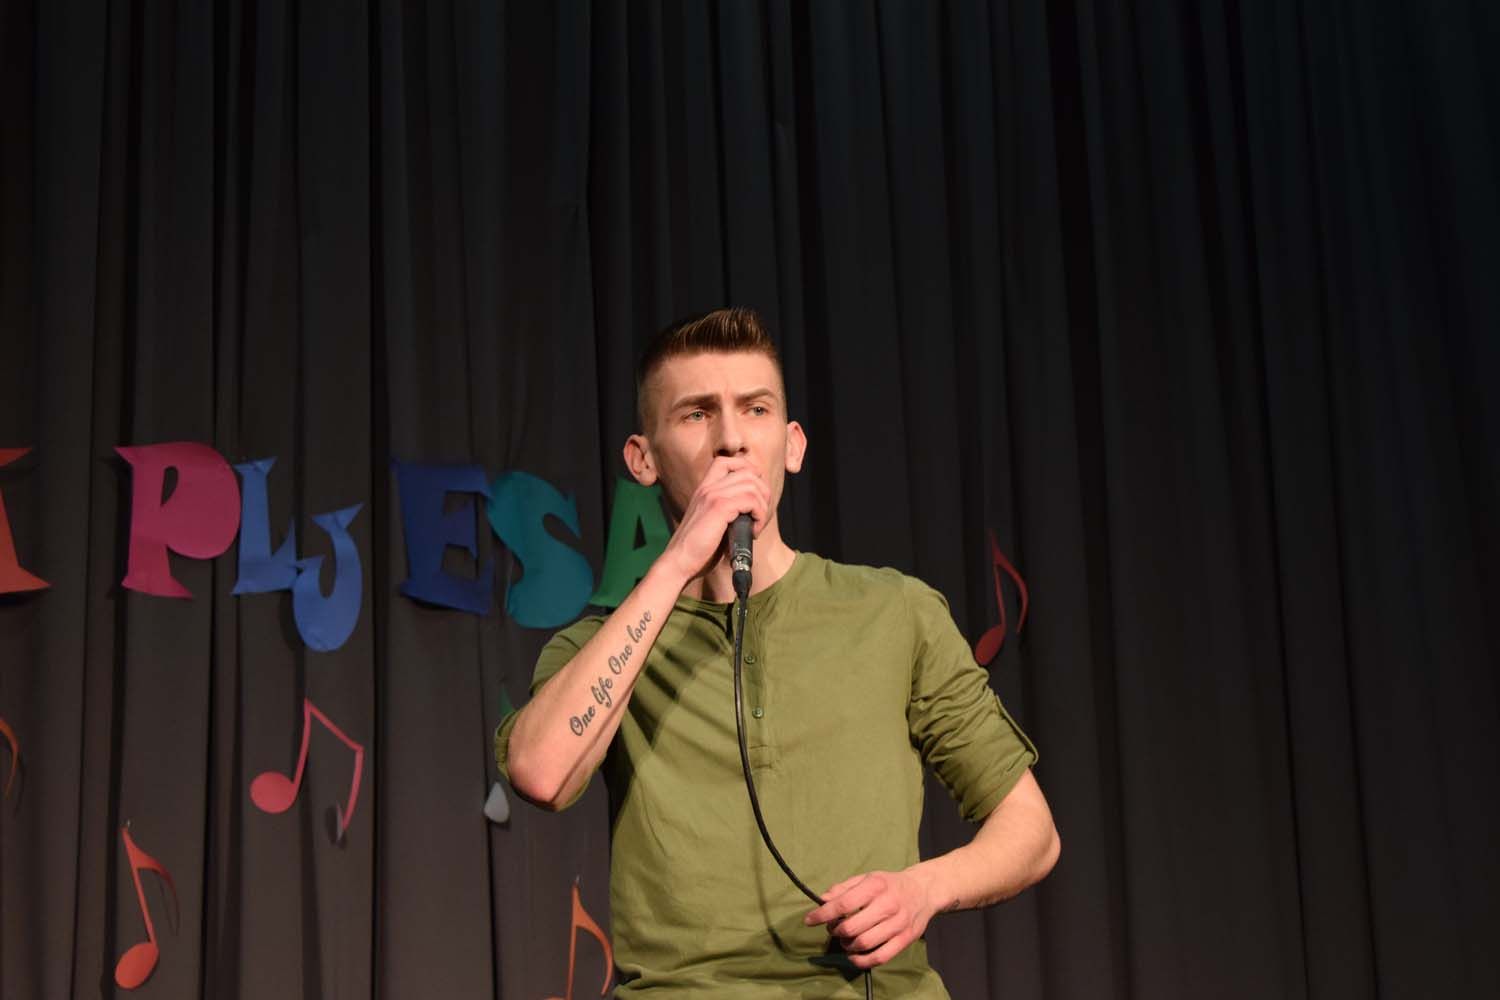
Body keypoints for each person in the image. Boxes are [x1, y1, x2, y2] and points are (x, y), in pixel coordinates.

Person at [496, 308, 1059, 997]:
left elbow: (1032, 830)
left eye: (755, 409)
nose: (732, 440)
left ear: (792, 445)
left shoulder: (895, 611)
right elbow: (540, 772)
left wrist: (925, 888)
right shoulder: (601, 649)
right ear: (643, 459)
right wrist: (677, 562)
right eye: (697, 414)